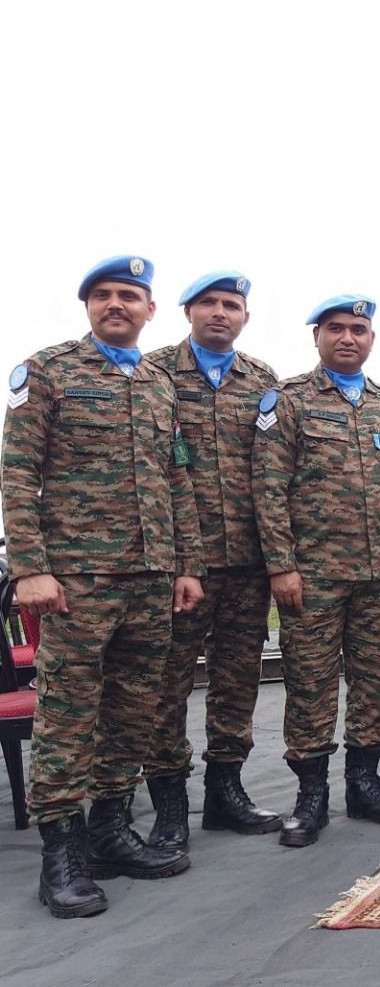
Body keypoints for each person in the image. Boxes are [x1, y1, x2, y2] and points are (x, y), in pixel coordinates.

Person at [4, 255, 203, 917]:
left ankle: (110, 831)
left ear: (150, 310)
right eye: (104, 295)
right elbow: (17, 471)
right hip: (77, 580)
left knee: (134, 711)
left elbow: (177, 477)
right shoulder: (49, 370)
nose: (116, 305)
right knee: (66, 715)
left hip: (150, 578)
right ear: (88, 305)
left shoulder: (156, 381)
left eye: (130, 296)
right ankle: (60, 854)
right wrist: (30, 567)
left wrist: (186, 566)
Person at [252, 295, 380, 847]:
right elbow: (268, 489)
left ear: (372, 338)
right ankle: (310, 798)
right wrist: (281, 566)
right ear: (317, 337)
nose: (348, 338)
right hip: (313, 574)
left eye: (358, 329)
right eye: (336, 329)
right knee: (310, 684)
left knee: (376, 682)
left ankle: (364, 783)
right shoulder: (289, 401)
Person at [142, 271, 282, 849]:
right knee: (167, 684)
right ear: (186, 312)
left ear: (245, 317)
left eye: (232, 305)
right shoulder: (153, 374)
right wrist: (178, 560)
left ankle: (226, 792)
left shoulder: (263, 380)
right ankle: (169, 807)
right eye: (209, 304)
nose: (220, 313)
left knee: (236, 680)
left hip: (247, 561)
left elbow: (275, 470)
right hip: (180, 563)